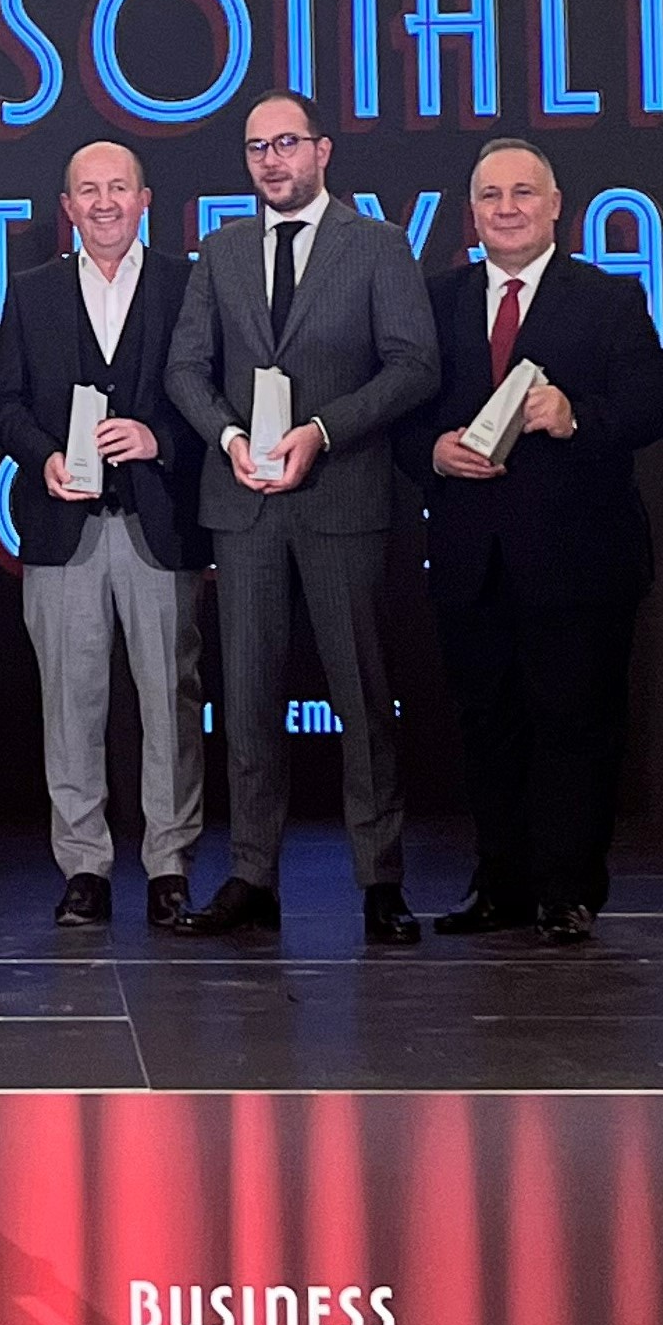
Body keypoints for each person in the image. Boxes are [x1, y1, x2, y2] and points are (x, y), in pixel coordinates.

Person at [164, 88, 440, 945]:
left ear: (323, 150)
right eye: (257, 148)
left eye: (286, 143)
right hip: (244, 499)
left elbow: (414, 364)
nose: (271, 160)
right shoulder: (221, 250)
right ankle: (252, 875)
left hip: (342, 495)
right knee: (247, 699)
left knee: (363, 697)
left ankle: (380, 881)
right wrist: (229, 437)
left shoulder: (378, 245)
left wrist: (323, 431)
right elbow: (185, 369)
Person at [409, 140, 663, 944]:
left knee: (575, 725)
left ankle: (567, 890)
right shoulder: (437, 300)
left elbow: (654, 406)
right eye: (491, 196)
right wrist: (432, 451)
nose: (507, 209)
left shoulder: (609, 297)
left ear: (556, 206)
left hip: (579, 560)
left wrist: (576, 415)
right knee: (488, 727)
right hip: (471, 559)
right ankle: (500, 885)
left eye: (523, 193)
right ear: (472, 214)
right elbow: (401, 414)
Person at [0, 139, 210, 931]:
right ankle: (83, 866)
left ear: (145, 200)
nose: (105, 202)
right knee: (70, 703)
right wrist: (44, 457)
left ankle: (169, 866)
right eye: (89, 190)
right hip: (63, 530)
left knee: (170, 702)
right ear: (68, 207)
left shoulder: (189, 283)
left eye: (119, 188)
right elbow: (3, 401)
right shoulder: (32, 291)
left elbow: (215, 395)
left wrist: (160, 441)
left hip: (161, 525)